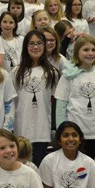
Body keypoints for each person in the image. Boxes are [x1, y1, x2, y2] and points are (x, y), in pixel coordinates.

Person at [55, 35, 95, 159]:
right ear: (77, 52)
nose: (90, 53)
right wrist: (61, 131)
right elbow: (61, 105)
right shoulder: (68, 76)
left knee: (87, 166)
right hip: (73, 133)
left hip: (94, 131)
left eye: (93, 50)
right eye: (86, 50)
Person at [13, 30, 59, 166]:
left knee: (39, 166)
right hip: (21, 127)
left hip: (42, 127)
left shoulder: (52, 72)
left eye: (39, 43)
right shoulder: (16, 72)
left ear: (44, 46)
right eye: (31, 44)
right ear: (25, 47)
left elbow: (54, 101)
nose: (35, 47)